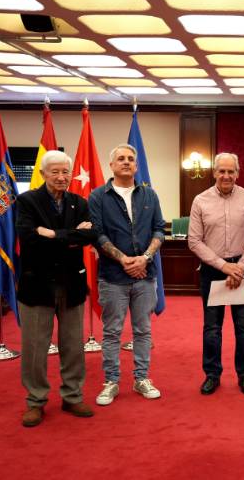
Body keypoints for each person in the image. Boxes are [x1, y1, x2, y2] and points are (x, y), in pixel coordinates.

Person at [15, 150, 97, 427]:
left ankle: (72, 396)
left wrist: (51, 234)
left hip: (71, 283)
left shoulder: (79, 202)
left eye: (65, 172)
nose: (62, 177)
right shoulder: (27, 201)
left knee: (73, 346)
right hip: (37, 285)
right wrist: (71, 236)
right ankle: (35, 401)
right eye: (55, 172)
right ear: (43, 174)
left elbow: (89, 235)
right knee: (35, 348)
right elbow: (29, 238)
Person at [89, 143, 165, 406]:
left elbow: (159, 229)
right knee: (112, 332)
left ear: (136, 165)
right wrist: (123, 259)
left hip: (145, 274)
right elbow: (97, 234)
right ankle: (110, 382)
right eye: (120, 158)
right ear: (111, 165)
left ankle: (141, 378)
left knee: (143, 330)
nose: (126, 162)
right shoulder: (98, 196)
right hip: (112, 277)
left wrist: (144, 258)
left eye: (131, 159)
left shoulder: (149, 195)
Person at [188, 153, 244, 395]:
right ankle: (212, 374)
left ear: (237, 174)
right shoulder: (200, 200)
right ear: (214, 173)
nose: (226, 176)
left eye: (231, 171)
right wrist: (223, 266)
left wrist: (239, 267)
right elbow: (194, 240)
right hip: (213, 271)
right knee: (212, 327)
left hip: (242, 269)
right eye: (222, 171)